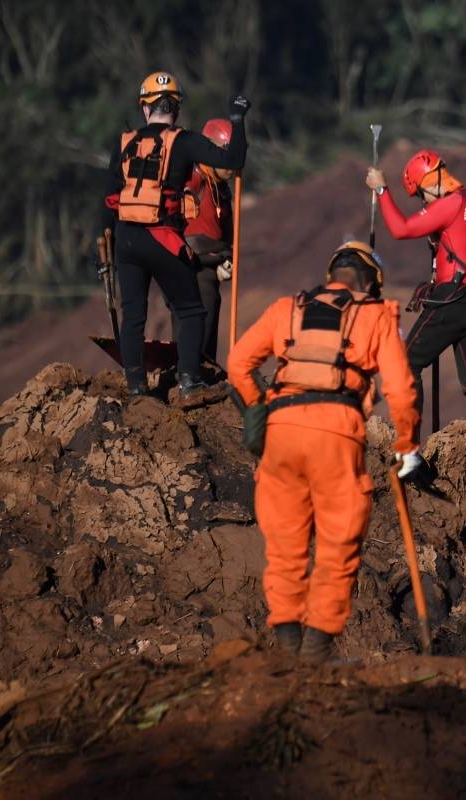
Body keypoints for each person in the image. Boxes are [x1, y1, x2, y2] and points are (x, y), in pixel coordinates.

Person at [226, 241, 422, 662]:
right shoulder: (376, 314)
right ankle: (315, 654)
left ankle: (287, 651)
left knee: (284, 548)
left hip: (279, 432)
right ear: (371, 283)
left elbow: (238, 363)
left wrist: (259, 413)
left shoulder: (286, 309)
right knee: (337, 544)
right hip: (337, 432)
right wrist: (405, 444)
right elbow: (402, 391)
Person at [97, 71, 248, 397]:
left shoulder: (124, 141)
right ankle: (189, 380)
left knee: (134, 313)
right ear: (176, 109)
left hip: (126, 238)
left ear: (144, 108)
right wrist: (237, 118)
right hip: (161, 236)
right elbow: (233, 158)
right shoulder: (183, 140)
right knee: (192, 310)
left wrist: (105, 242)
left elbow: (109, 198)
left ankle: (136, 386)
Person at [365, 150, 466, 437]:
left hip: (453, 299)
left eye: (420, 194)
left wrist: (382, 190)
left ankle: (408, 443)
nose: (423, 202)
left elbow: (401, 228)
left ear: (430, 182)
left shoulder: (451, 203)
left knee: (407, 361)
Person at [171, 117, 237, 367]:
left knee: (209, 325)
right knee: (195, 327)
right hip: (192, 267)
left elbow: (226, 230)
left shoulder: (223, 189)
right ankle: (187, 376)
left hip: (212, 269)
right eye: (225, 155)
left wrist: (227, 257)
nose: (230, 165)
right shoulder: (191, 180)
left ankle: (202, 372)